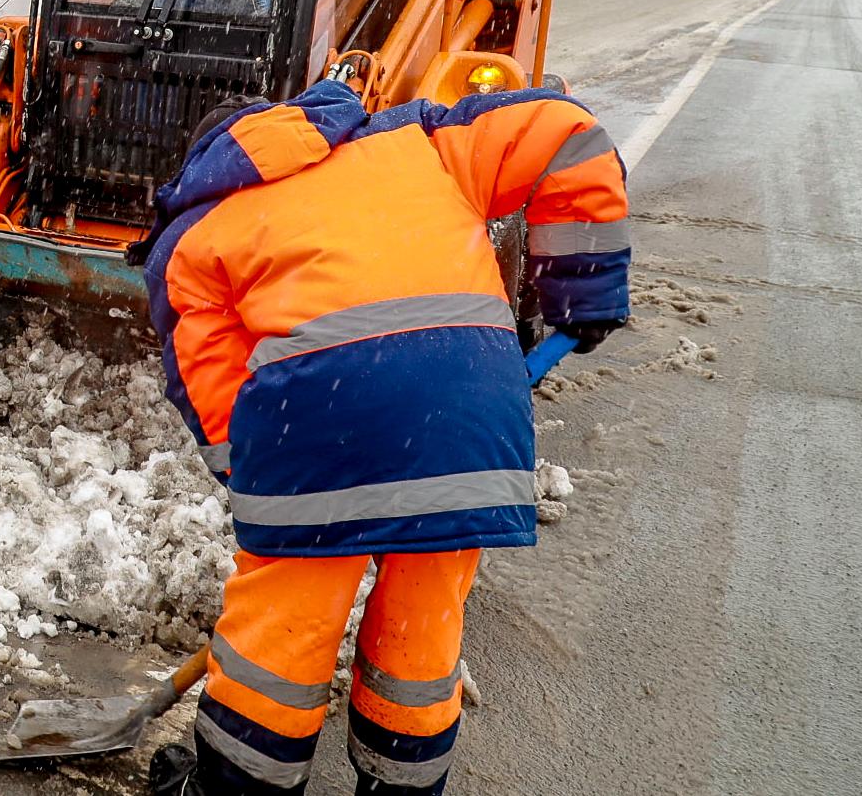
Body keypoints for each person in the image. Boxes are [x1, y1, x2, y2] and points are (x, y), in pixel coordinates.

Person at [137, 80, 631, 795]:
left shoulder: (197, 231)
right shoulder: (419, 143)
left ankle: (233, 789)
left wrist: (263, 485)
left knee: (276, 644)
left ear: (212, 161)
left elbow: (209, 386)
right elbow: (565, 129)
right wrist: (581, 286)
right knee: (419, 639)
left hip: (318, 437)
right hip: (468, 428)